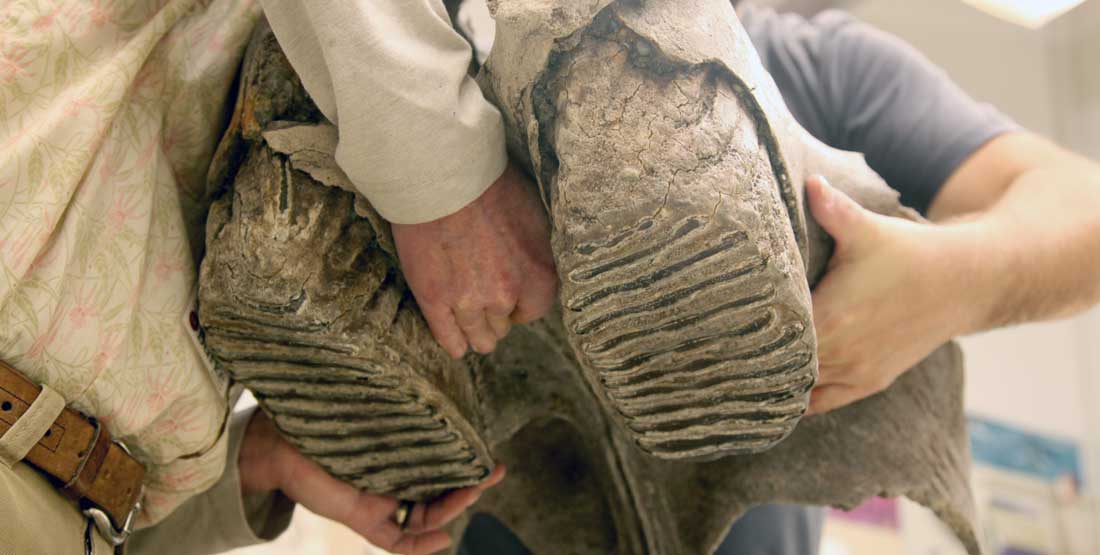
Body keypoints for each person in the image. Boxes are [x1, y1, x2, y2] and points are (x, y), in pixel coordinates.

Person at [2, 0, 1098, 554]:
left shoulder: (833, 65)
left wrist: (945, 283)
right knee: (369, 112)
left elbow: (1080, 214)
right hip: (503, 501)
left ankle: (684, 127)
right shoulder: (399, 70)